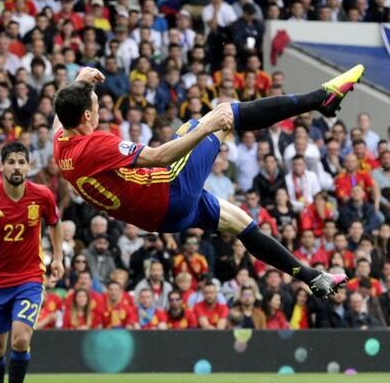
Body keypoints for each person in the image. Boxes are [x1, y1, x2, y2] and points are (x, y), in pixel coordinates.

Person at [53, 66, 363, 299]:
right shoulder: (96, 146)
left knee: (238, 221)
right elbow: (160, 157)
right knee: (220, 115)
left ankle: (313, 277)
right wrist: (208, 128)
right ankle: (321, 99)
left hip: (156, 217)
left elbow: (60, 117)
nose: (99, 111)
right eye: (95, 107)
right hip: (169, 190)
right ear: (85, 117)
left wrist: (80, 82)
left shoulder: (61, 144)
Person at [0, 141, 65, 383]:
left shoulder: (42, 195)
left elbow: (54, 223)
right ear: (1, 166)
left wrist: (58, 258)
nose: (16, 167)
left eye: (21, 162)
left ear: (28, 166)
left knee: (20, 339)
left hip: (29, 278)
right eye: (11, 162)